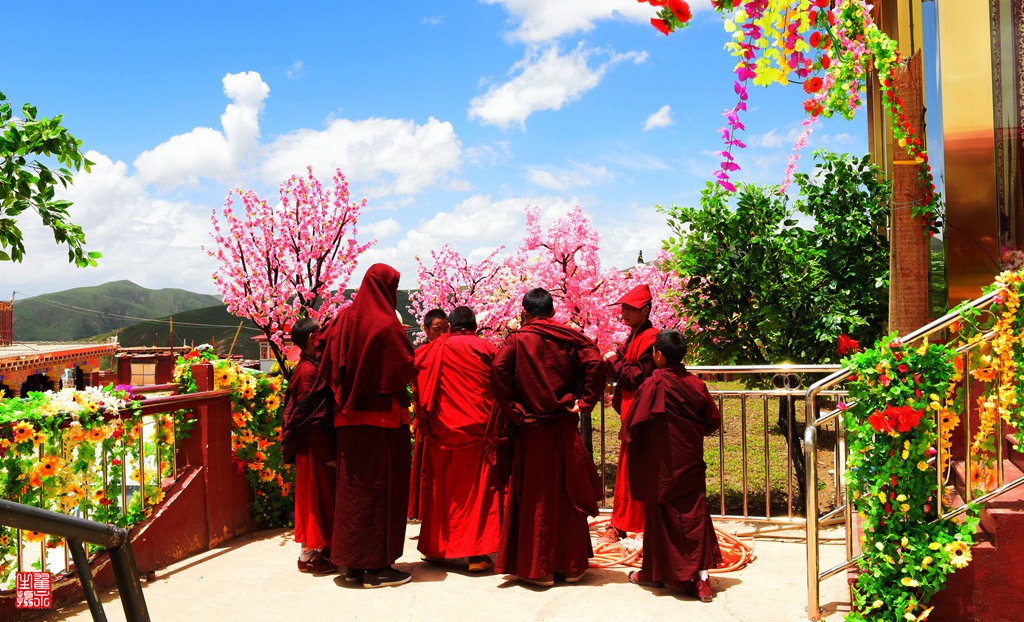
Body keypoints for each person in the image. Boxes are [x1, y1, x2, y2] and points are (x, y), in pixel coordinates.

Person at [490, 288, 606, 587]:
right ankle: (571, 568)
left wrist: (515, 411)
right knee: (566, 494)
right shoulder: (567, 336)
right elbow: (596, 362)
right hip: (563, 425)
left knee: (536, 497)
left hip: (532, 429)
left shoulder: (517, 340)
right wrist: (584, 401)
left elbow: (498, 373)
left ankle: (539, 570)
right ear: (552, 312)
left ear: (526, 312)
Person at [318, 263, 416, 588]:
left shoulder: (344, 317)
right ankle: (377, 569)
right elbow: (403, 367)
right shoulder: (386, 323)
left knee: (352, 491)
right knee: (379, 492)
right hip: (381, 423)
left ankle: (353, 566)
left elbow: (327, 357)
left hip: (346, 421)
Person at [622, 329, 722, 602]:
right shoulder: (696, 385)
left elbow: (632, 426)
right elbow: (713, 420)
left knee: (661, 518)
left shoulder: (652, 384)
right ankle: (701, 579)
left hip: (661, 466)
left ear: (659, 355)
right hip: (688, 460)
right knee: (694, 517)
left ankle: (656, 572)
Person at [410, 306, 502, 572]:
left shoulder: (432, 349)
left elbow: (417, 376)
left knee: (442, 493)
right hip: (477, 429)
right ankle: (476, 556)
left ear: (451, 327)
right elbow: (501, 382)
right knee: (476, 494)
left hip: (441, 431)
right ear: (474, 326)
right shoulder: (486, 348)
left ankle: (435, 549)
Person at [598, 283, 659, 544]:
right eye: (623, 307)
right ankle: (624, 524)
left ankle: (629, 526)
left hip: (642, 414)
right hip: (631, 413)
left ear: (645, 310)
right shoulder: (635, 335)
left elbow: (638, 377)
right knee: (627, 471)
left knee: (635, 472)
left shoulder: (651, 339)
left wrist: (613, 361)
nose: (623, 312)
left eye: (630, 308)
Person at [281, 317, 336, 574]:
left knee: (321, 498)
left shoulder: (312, 366)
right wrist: (328, 454)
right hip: (313, 447)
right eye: (321, 333)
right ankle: (308, 556)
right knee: (314, 499)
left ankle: (320, 550)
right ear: (314, 337)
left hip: (316, 446)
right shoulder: (306, 372)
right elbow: (312, 418)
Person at [408, 308, 450, 519]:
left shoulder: (453, 351)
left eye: (446, 329)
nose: (442, 334)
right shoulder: (421, 355)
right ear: (425, 330)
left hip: (448, 419)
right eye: (437, 329)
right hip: (428, 420)